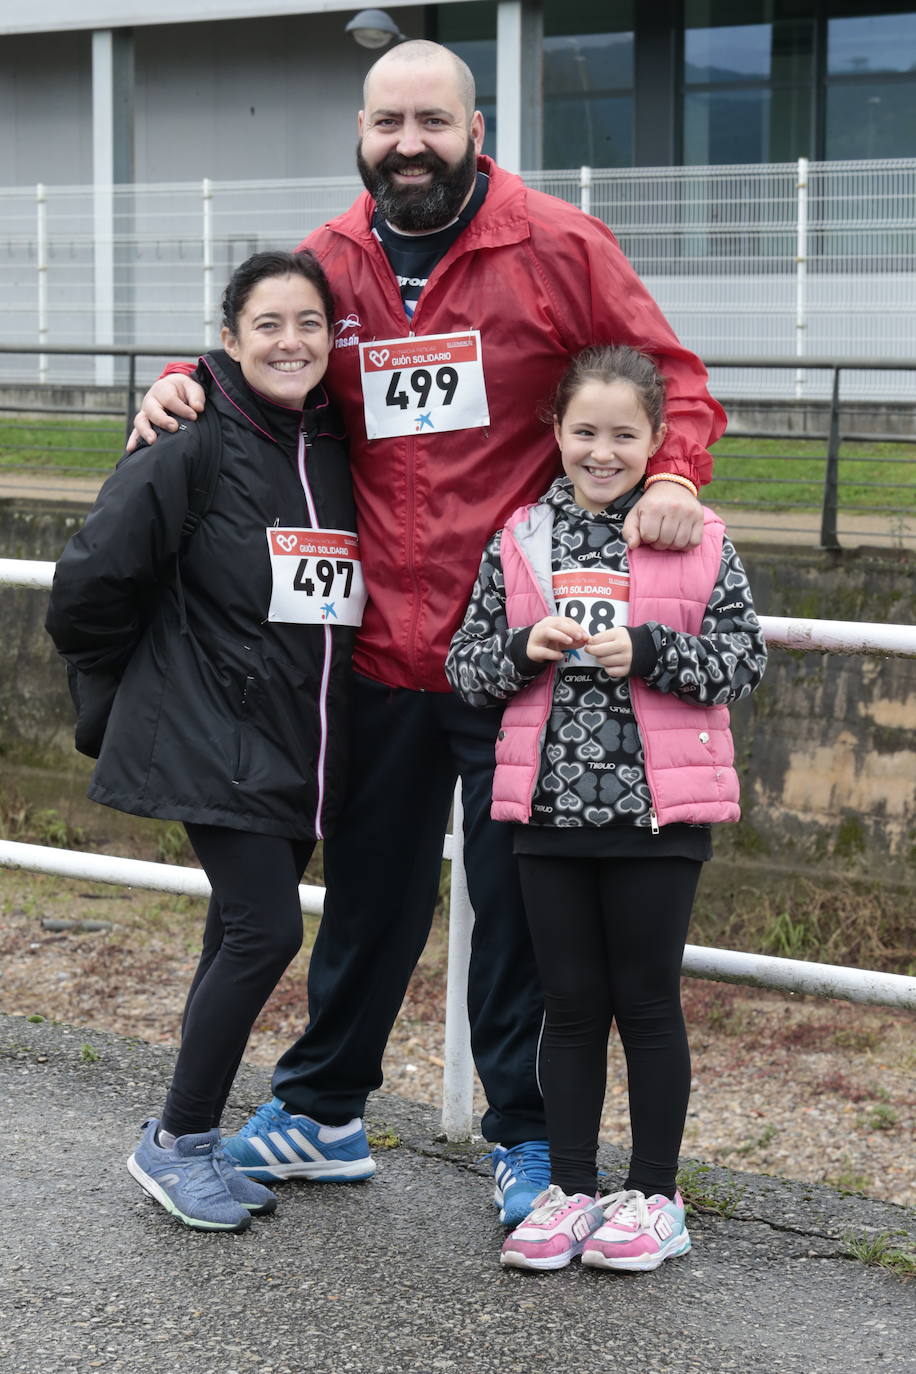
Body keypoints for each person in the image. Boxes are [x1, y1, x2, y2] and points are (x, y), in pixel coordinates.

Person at [128, 40, 728, 1227]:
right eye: (388, 120)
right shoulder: (334, 257)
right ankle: (325, 1109)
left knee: (513, 910)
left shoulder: (557, 244)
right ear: (361, 127)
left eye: (432, 122)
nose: (409, 144)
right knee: (368, 896)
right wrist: (175, 385)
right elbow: (267, 351)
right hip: (378, 642)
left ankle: (526, 1140)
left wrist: (673, 474)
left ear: (474, 127)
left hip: (519, 645)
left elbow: (673, 379)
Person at [46, 250, 363, 1232]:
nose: (290, 342)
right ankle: (177, 1142)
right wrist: (152, 682)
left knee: (236, 928)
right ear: (228, 338)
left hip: (299, 737)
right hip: (208, 729)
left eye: (309, 323)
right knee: (266, 929)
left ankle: (183, 1138)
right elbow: (88, 585)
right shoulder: (189, 432)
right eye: (267, 324)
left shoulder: (332, 440)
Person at [446, 344, 766, 1271]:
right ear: (555, 434)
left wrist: (652, 651)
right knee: (571, 1008)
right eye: (583, 431)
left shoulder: (699, 537)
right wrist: (523, 646)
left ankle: (659, 1197)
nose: (601, 450)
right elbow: (465, 667)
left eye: (623, 434)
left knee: (648, 1005)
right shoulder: (519, 539)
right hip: (546, 812)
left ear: (657, 440)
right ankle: (573, 1191)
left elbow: (741, 663)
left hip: (658, 816)